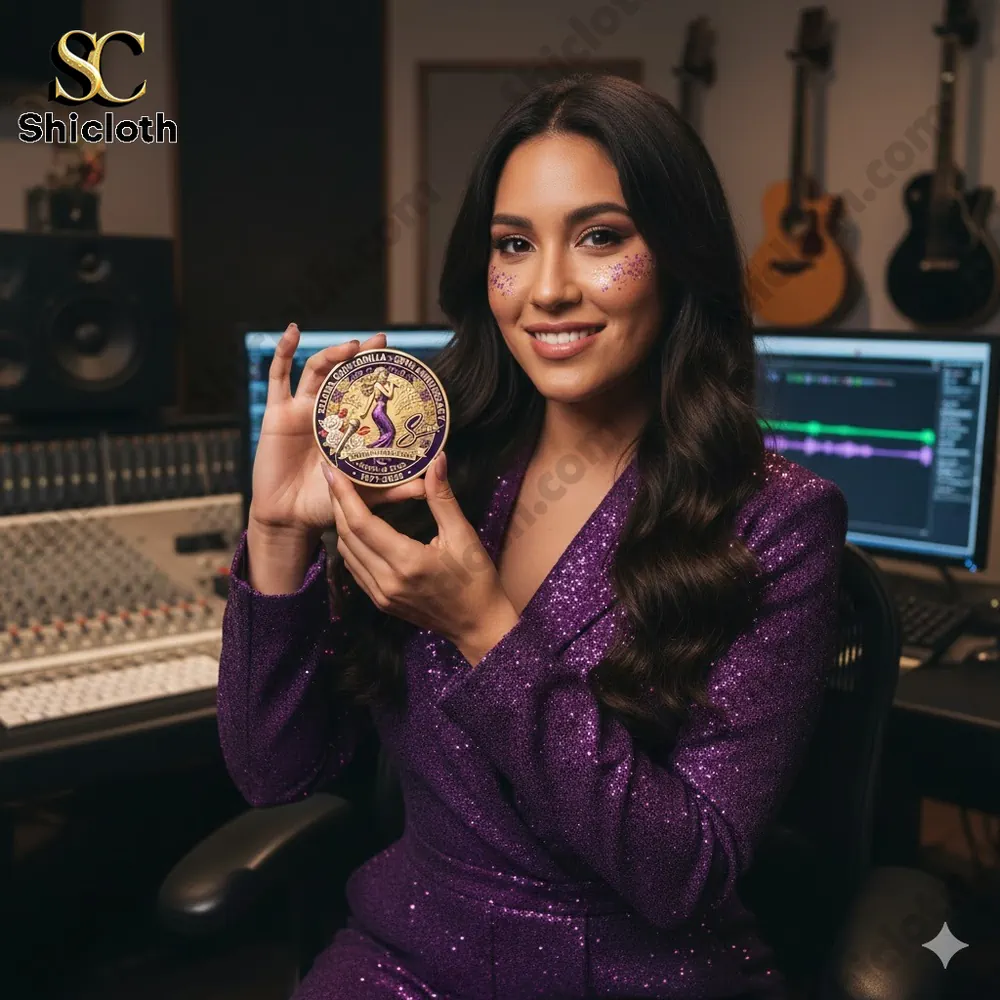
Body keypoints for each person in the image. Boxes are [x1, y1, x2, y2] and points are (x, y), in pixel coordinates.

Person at [217, 74, 848, 1000]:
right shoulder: (437, 469)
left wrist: (484, 629)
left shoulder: (778, 518)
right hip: (405, 956)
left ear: (679, 256)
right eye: (514, 244)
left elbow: (686, 873)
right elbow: (275, 774)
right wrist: (276, 533)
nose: (547, 290)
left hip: (633, 974)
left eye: (601, 237)